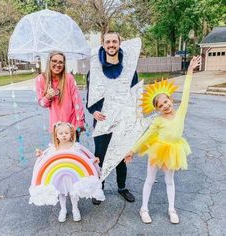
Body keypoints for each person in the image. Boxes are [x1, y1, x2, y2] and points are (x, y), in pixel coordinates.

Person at [124, 56, 201, 224]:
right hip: (157, 151)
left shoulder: (180, 112)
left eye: (166, 101)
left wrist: (189, 72)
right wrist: (132, 150)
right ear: (157, 109)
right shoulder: (158, 120)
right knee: (150, 180)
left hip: (173, 151)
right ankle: (144, 208)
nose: (165, 106)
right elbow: (146, 137)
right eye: (160, 105)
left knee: (169, 181)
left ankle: (171, 209)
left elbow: (187, 92)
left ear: (170, 100)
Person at [86, 31, 139, 205]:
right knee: (100, 156)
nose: (111, 45)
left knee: (120, 156)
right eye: (108, 42)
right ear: (103, 44)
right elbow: (90, 98)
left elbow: (134, 97)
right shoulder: (95, 70)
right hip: (102, 121)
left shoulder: (130, 69)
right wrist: (93, 111)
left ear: (119, 43)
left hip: (121, 122)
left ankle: (122, 187)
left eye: (114, 41)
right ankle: (98, 188)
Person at [31, 122, 104, 223]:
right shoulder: (54, 148)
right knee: (61, 193)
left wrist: (92, 161)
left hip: (73, 175)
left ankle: (75, 209)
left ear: (71, 134)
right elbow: (47, 160)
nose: (64, 135)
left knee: (73, 192)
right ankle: (63, 209)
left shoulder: (75, 147)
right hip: (59, 176)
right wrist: (40, 155)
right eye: (61, 133)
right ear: (56, 136)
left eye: (66, 133)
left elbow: (83, 160)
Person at [35, 51, 85, 138]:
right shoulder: (40, 79)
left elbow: (77, 102)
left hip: (71, 125)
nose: (57, 64)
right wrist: (48, 97)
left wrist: (80, 122)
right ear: (49, 62)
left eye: (61, 62)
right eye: (54, 61)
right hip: (56, 128)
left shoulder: (69, 78)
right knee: (59, 151)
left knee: (72, 151)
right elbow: (42, 104)